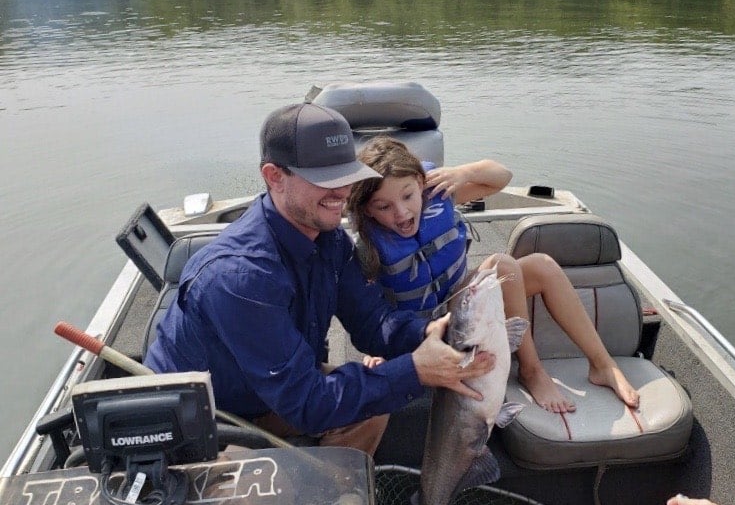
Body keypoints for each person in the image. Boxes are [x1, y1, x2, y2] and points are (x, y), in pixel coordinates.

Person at [144, 103, 494, 456]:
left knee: (370, 405)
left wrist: (428, 333)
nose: (341, 192)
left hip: (277, 387)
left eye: (347, 175)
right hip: (203, 421)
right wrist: (416, 370)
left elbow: (373, 322)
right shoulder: (241, 278)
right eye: (326, 179)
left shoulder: (327, 239)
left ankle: (337, 488)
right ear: (274, 176)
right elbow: (308, 403)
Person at [346, 136, 640, 413]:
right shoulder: (367, 247)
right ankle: (531, 370)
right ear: (368, 211)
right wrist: (383, 353)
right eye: (384, 206)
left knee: (542, 267)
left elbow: (502, 176)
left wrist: (462, 172)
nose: (401, 212)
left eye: (408, 196)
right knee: (506, 265)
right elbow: (370, 314)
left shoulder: (437, 194)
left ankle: (603, 365)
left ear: (421, 183)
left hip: (460, 299)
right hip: (427, 330)